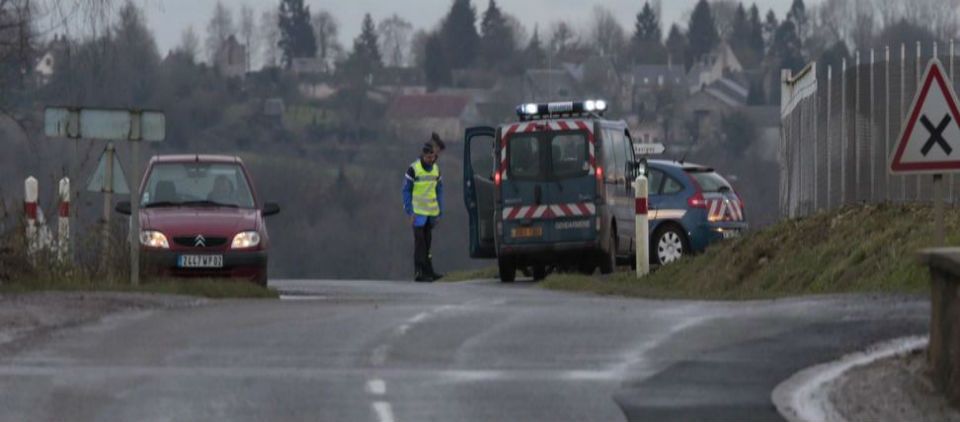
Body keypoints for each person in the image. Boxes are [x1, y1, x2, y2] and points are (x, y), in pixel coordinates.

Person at [402, 141, 444, 282]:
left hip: (431, 213)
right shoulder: (413, 169)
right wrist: (409, 211)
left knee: (427, 242)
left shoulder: (436, 169)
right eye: (428, 157)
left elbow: (439, 191)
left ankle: (429, 271)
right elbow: (406, 190)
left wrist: (440, 211)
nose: (430, 160)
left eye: (432, 157)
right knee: (420, 242)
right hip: (417, 213)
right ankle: (419, 272)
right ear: (423, 155)